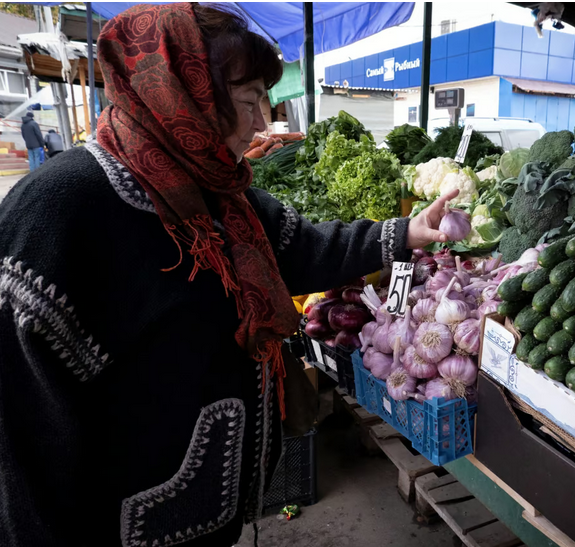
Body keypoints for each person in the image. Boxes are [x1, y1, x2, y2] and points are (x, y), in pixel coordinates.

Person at [0, 4, 456, 547]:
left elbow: (303, 249)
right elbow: (17, 437)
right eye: (247, 102)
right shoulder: (62, 208)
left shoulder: (218, 193)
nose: (264, 122)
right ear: (184, 97)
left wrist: (406, 232)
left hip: (206, 521)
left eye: (265, 99)